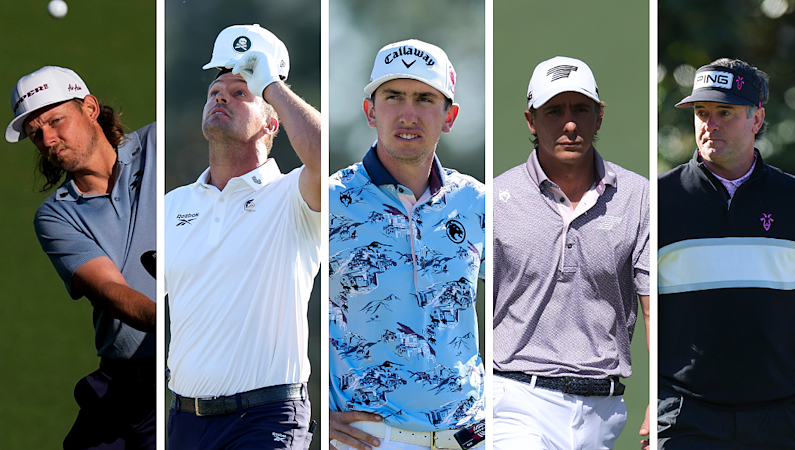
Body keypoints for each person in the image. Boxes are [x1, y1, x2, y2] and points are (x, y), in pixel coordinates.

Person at [164, 24, 321, 450]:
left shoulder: (293, 195)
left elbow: (326, 158)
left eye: (240, 93)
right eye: (215, 91)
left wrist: (271, 85)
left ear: (272, 122)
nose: (221, 98)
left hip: (266, 420)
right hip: (184, 421)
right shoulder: (174, 205)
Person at [328, 39, 486, 450]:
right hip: (369, 439)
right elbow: (278, 304)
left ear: (449, 116)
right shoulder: (329, 200)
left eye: (425, 99)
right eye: (393, 97)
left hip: (471, 437)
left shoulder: (476, 202)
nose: (408, 114)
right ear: (370, 111)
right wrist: (309, 410)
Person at [492, 56, 651, 450]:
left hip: (603, 410)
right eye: (554, 111)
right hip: (515, 399)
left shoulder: (639, 196)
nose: (569, 124)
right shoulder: (496, 199)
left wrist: (661, 395)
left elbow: (652, 307)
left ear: (599, 118)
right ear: (531, 121)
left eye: (581, 109)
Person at [5, 66, 156, 449]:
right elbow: (108, 290)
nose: (48, 140)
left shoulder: (158, 144)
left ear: (90, 108)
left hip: (188, 378)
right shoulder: (55, 215)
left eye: (56, 121)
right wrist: (176, 322)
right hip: (124, 384)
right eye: (35, 134)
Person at [658, 58, 795, 448]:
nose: (710, 124)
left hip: (784, 417)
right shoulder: (658, 201)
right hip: (685, 416)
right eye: (702, 112)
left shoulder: (794, 199)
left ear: (757, 119)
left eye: (725, 112)